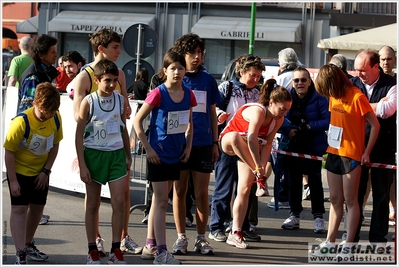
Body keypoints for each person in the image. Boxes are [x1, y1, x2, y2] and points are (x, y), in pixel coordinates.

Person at [73, 28, 140, 257]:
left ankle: (120, 242)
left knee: (121, 199)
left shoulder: (120, 73)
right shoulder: (84, 76)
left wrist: (122, 108)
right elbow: (78, 120)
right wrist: (98, 114)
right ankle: (95, 243)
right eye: (115, 47)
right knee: (93, 202)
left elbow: (124, 113)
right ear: (101, 48)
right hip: (94, 148)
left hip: (116, 148)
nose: (119, 51)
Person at [134, 51, 197, 264]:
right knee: (162, 201)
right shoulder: (158, 93)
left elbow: (189, 124)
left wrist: (188, 147)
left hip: (176, 153)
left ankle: (150, 244)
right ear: (165, 71)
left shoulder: (189, 94)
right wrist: (148, 149)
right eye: (173, 68)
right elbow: (137, 122)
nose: (177, 72)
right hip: (157, 155)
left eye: (181, 68)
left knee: (158, 201)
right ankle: (161, 251)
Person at [311, 64, 380, 258]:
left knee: (351, 200)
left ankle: (349, 242)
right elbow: (335, 123)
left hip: (352, 154)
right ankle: (330, 240)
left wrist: (367, 152)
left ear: (334, 81)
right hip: (333, 152)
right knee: (334, 199)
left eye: (327, 88)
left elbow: (374, 125)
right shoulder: (334, 96)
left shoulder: (357, 96)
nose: (327, 94)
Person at [220, 79, 292, 249]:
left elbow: (266, 145)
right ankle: (260, 179)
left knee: (244, 190)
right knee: (237, 137)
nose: (284, 114)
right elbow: (252, 138)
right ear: (271, 103)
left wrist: (262, 169)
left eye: (287, 110)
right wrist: (258, 169)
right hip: (229, 142)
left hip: (248, 151)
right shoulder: (258, 111)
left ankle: (235, 232)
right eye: (282, 109)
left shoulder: (278, 120)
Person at [169, 33, 220, 256]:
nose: (197, 57)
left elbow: (211, 113)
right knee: (179, 192)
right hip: (179, 143)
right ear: (182, 54)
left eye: (200, 52)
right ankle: (181, 238)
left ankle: (201, 238)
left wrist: (215, 142)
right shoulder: (173, 77)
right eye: (192, 53)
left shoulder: (208, 80)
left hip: (203, 143)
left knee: (201, 193)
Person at [4, 82, 63, 264]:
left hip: (40, 172)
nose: (48, 116)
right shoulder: (21, 122)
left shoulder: (55, 117)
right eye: (45, 112)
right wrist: (13, 181)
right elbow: (9, 152)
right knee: (20, 209)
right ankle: (20, 252)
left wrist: (46, 171)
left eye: (51, 112)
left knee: (37, 209)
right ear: (35, 104)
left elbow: (55, 145)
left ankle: (28, 244)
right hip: (20, 172)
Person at [209, 54, 265, 243]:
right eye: (252, 75)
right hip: (227, 143)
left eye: (258, 76)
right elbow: (212, 107)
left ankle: (242, 226)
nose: (255, 79)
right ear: (241, 72)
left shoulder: (258, 93)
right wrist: (219, 115)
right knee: (224, 187)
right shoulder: (227, 87)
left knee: (245, 189)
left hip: (248, 146)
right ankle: (216, 226)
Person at [351, 49, 397, 247]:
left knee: (381, 194)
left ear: (375, 67)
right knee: (355, 195)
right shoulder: (352, 84)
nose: (358, 74)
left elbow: (387, 111)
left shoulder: (392, 84)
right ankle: (352, 236)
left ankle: (377, 238)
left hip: (383, 148)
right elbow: (347, 109)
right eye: (355, 70)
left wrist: (361, 106)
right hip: (356, 147)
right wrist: (376, 105)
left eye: (362, 70)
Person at [279, 67, 330, 233]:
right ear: (292, 83)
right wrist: (289, 129)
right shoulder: (286, 95)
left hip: (313, 145)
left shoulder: (320, 97)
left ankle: (318, 218)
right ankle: (294, 215)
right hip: (292, 145)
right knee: (293, 182)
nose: (300, 83)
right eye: (296, 80)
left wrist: (309, 126)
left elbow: (327, 120)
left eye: (303, 80)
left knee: (315, 182)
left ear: (309, 81)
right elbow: (279, 117)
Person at [267, 47, 301, 210]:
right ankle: (287, 196)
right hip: (295, 123)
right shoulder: (300, 75)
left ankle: (282, 196)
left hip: (282, 124)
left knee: (280, 164)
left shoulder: (282, 78)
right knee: (290, 164)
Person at [378, 45, 397, 228]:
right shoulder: (377, 82)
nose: (386, 62)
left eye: (389, 58)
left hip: (394, 136)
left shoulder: (396, 81)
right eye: (383, 59)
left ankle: (394, 209)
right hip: (376, 135)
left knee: (392, 176)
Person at [18, 34, 59, 113]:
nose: (56, 55)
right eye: (53, 52)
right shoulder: (33, 77)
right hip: (34, 123)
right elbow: (28, 107)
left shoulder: (46, 72)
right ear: (41, 55)